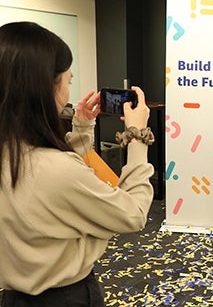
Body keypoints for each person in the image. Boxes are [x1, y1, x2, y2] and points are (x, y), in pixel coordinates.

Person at [0, 21, 155, 306]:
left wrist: (82, 129)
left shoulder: (16, 154)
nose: (68, 92)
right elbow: (132, 214)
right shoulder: (52, 170)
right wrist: (137, 137)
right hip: (65, 297)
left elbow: (49, 189)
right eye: (68, 82)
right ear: (46, 87)